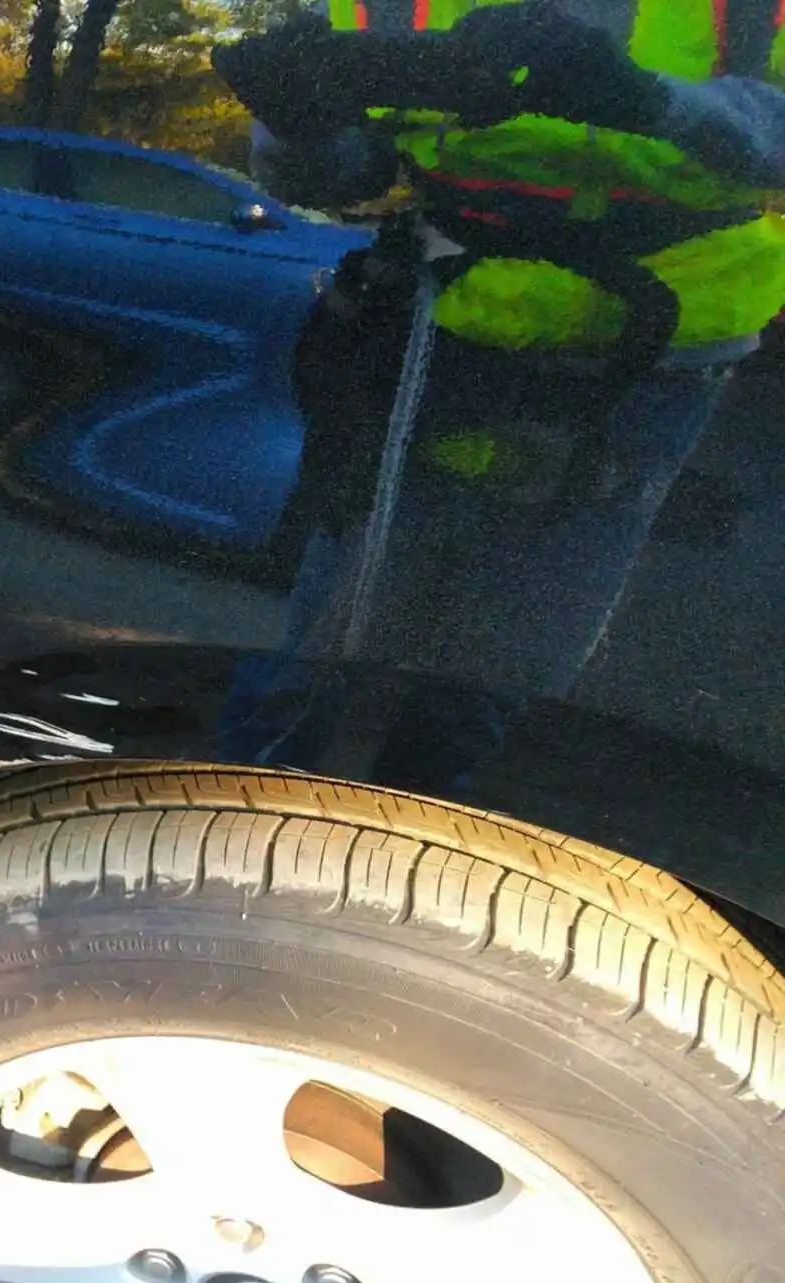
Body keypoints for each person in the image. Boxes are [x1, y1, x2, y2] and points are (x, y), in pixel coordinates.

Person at [211, 0, 785, 789]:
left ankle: (425, 850)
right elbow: (348, 175)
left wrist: (655, 102)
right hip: (442, 328)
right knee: (326, 649)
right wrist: (298, 124)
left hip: (652, 359)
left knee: (502, 673)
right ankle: (237, 833)